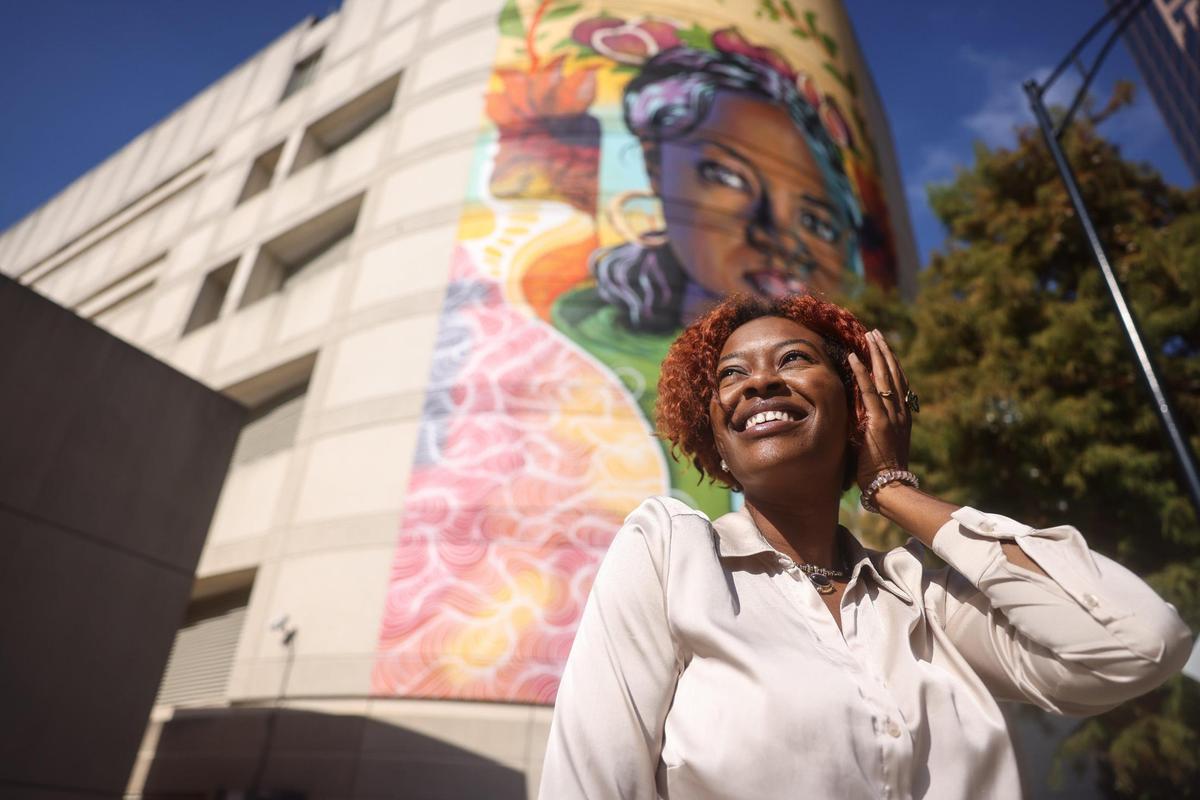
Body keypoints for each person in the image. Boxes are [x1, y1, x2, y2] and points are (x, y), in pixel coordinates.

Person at [539, 292, 1193, 799]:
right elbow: (591, 781)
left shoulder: (926, 600)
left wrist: (892, 487)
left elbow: (1138, 644)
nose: (756, 383)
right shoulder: (669, 553)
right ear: (716, 439)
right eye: (730, 376)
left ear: (859, 409)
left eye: (793, 359)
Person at [553, 45, 863, 517]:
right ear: (656, 170)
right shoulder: (565, 363)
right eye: (728, 175)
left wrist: (889, 486)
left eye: (816, 221)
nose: (776, 232)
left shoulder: (896, 569)